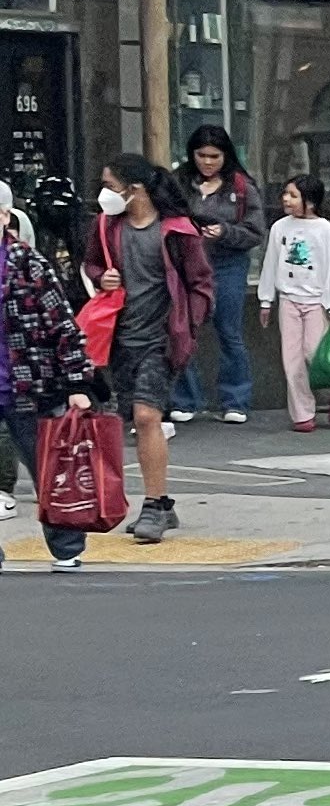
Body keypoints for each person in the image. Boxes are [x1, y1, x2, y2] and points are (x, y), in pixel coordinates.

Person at [85, 156, 204, 544]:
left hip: (161, 338)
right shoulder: (106, 226)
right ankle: (163, 505)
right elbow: (90, 265)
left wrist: (189, 326)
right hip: (119, 339)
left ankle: (152, 505)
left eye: (109, 183)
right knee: (128, 421)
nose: (105, 192)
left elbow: (200, 282)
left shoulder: (176, 231)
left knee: (147, 415)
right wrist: (102, 277)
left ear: (133, 189)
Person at [3, 183, 101, 569]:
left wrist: (77, 383)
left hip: (28, 385)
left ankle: (66, 547)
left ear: (5, 217)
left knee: (48, 469)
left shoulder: (29, 263)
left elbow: (63, 325)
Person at [167, 124, 263, 425]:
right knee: (183, 330)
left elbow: (255, 231)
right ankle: (185, 399)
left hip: (228, 263)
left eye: (214, 156)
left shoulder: (241, 186)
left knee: (229, 332)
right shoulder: (179, 181)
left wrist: (225, 232)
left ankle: (236, 399)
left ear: (226, 156)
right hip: (186, 263)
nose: (207, 162)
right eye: (201, 155)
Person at [261, 174, 330, 431]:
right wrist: (266, 299)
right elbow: (270, 264)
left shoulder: (325, 230)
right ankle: (302, 414)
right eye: (285, 194)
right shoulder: (280, 228)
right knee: (292, 360)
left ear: (309, 201)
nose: (285, 199)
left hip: (316, 302)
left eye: (292, 195)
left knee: (315, 354)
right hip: (288, 300)